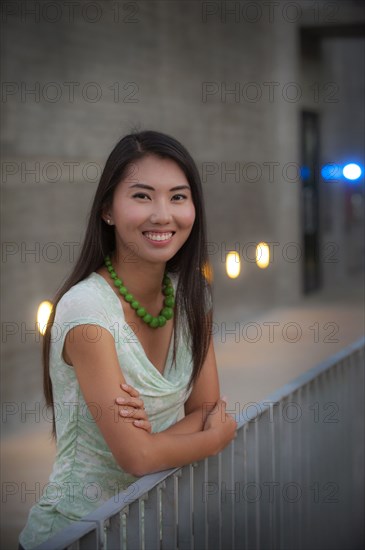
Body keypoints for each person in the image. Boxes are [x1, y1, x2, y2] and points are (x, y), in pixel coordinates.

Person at [19, 130, 237, 549]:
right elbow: (136, 458)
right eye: (141, 196)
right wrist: (209, 439)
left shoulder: (193, 295)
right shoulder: (87, 311)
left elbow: (208, 407)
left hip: (153, 526)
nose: (163, 215)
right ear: (107, 210)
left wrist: (151, 442)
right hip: (77, 531)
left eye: (177, 197)